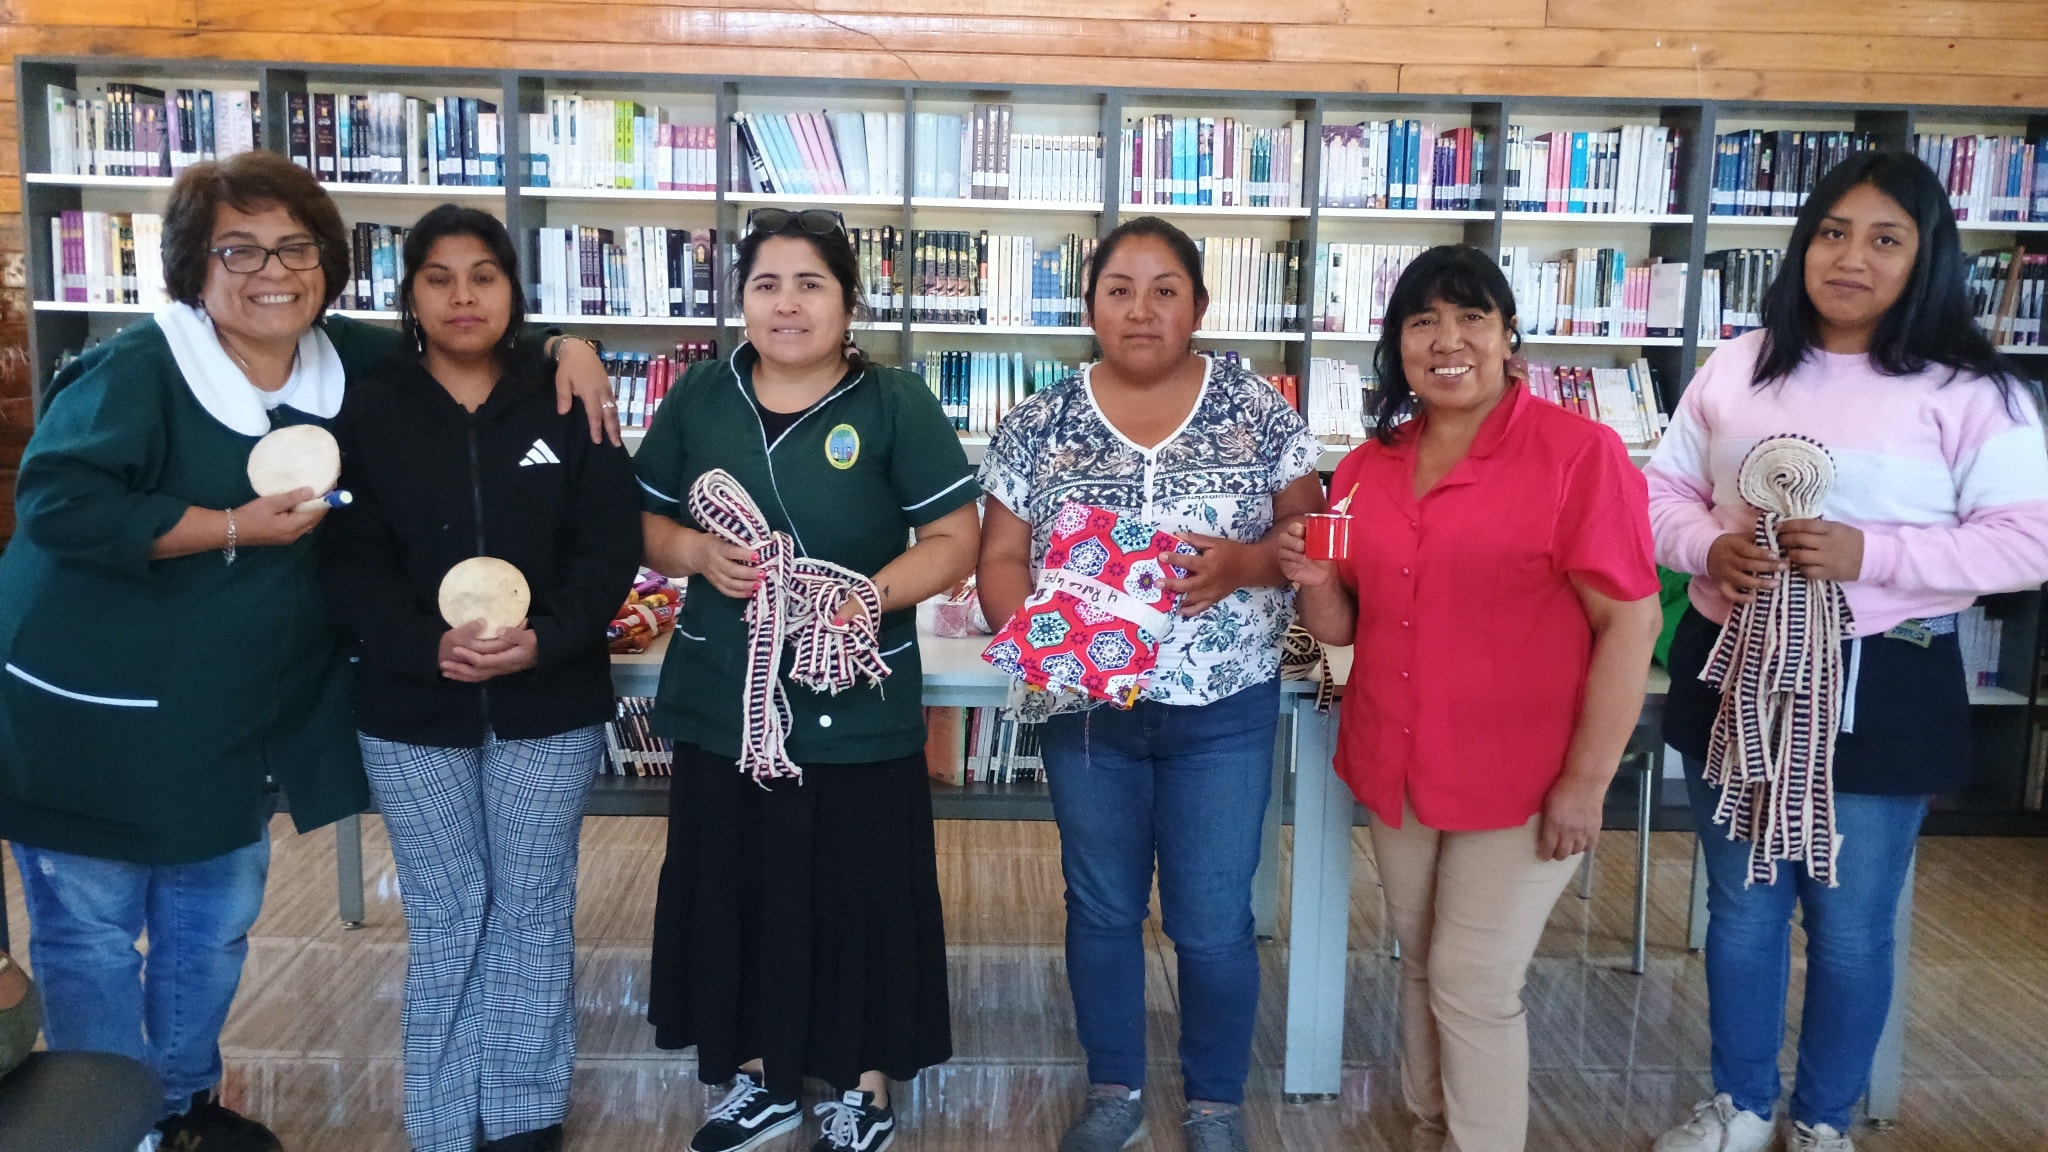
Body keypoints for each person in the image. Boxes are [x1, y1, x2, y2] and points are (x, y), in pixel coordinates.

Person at [0, 150, 617, 1152]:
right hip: (91, 704)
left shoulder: (347, 363)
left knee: (212, 918)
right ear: (192, 265)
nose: (271, 272)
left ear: (328, 264)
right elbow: (56, 502)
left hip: (222, 713)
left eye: (294, 248)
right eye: (237, 250)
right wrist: (229, 526)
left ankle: (184, 1110)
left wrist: (570, 344)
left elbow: (468, 334)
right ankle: (112, 1128)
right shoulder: (139, 367)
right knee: (93, 932)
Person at [1645, 152, 2048, 1152]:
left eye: (1883, 239)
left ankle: (1823, 1122)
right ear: (1802, 245)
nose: (1850, 259)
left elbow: (2027, 542)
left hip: (1886, 675)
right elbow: (1658, 496)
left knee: (1851, 922)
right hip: (1736, 666)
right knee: (1741, 911)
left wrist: (1874, 555)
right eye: (1831, 233)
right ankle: (1740, 1107)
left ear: (1925, 258)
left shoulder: (1974, 392)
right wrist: (1707, 548)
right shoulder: (1739, 363)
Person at [1279, 245, 1663, 1152]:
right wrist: (1314, 580)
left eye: (1471, 318)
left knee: (1474, 982)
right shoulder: (1367, 467)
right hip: (1399, 756)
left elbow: (1629, 624)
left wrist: (1585, 784)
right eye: (1424, 322)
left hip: (1523, 775)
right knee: (1422, 965)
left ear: (1508, 335)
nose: (1447, 341)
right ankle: (1432, 1130)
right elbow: (1344, 628)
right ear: (1397, 345)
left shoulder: (1579, 455)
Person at [976, 215, 1324, 1152]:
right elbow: (1000, 557)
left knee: (1213, 921)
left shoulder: (1258, 411)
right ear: (1089, 305)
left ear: (1199, 306)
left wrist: (1241, 564)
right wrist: (1040, 642)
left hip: (1223, 706)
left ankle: (1214, 1103)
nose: (1141, 310)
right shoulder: (1038, 421)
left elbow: (1306, 541)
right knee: (1100, 908)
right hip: (1085, 712)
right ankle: (1114, 1093)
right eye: (1119, 290)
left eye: (1165, 290)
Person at [636, 206, 980, 1152]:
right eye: (766, 285)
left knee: (858, 888)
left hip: (854, 694)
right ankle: (760, 1077)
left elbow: (955, 539)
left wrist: (868, 597)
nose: (786, 305)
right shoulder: (701, 395)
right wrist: (695, 553)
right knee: (737, 883)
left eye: (810, 284)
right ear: (741, 301)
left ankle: (862, 1084)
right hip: (729, 698)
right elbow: (646, 521)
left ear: (848, 302)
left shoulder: (894, 402)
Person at [322, 204, 642, 1152]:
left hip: (549, 701)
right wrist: (424, 646)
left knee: (533, 906)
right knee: (448, 910)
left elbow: (608, 545)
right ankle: (441, 1117)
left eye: (484, 276)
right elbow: (348, 561)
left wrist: (549, 638)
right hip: (411, 708)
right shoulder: (368, 406)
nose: (463, 296)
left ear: (514, 290)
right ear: (410, 294)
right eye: (439, 278)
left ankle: (521, 1113)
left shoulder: (566, 397)